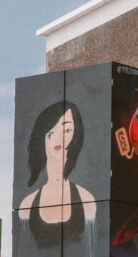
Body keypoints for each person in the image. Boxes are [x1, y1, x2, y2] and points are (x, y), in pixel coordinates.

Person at [18, 100, 95, 248]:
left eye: (66, 131)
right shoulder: (27, 205)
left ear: (76, 136)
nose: (58, 138)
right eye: (51, 131)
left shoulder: (87, 201)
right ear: (42, 138)